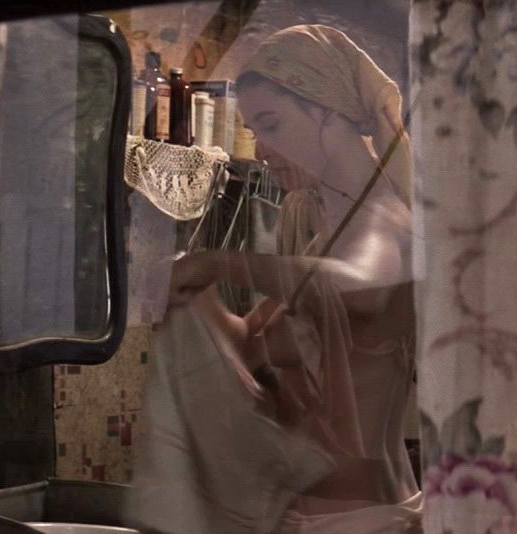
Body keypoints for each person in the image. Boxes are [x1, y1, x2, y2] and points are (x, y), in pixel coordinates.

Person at [165, 24, 421, 532]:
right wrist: (188, 293)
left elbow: (354, 285)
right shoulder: (325, 233)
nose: (261, 149)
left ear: (326, 112)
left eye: (271, 124)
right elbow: (250, 341)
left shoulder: (386, 222)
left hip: (370, 522)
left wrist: (218, 264)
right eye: (255, 130)